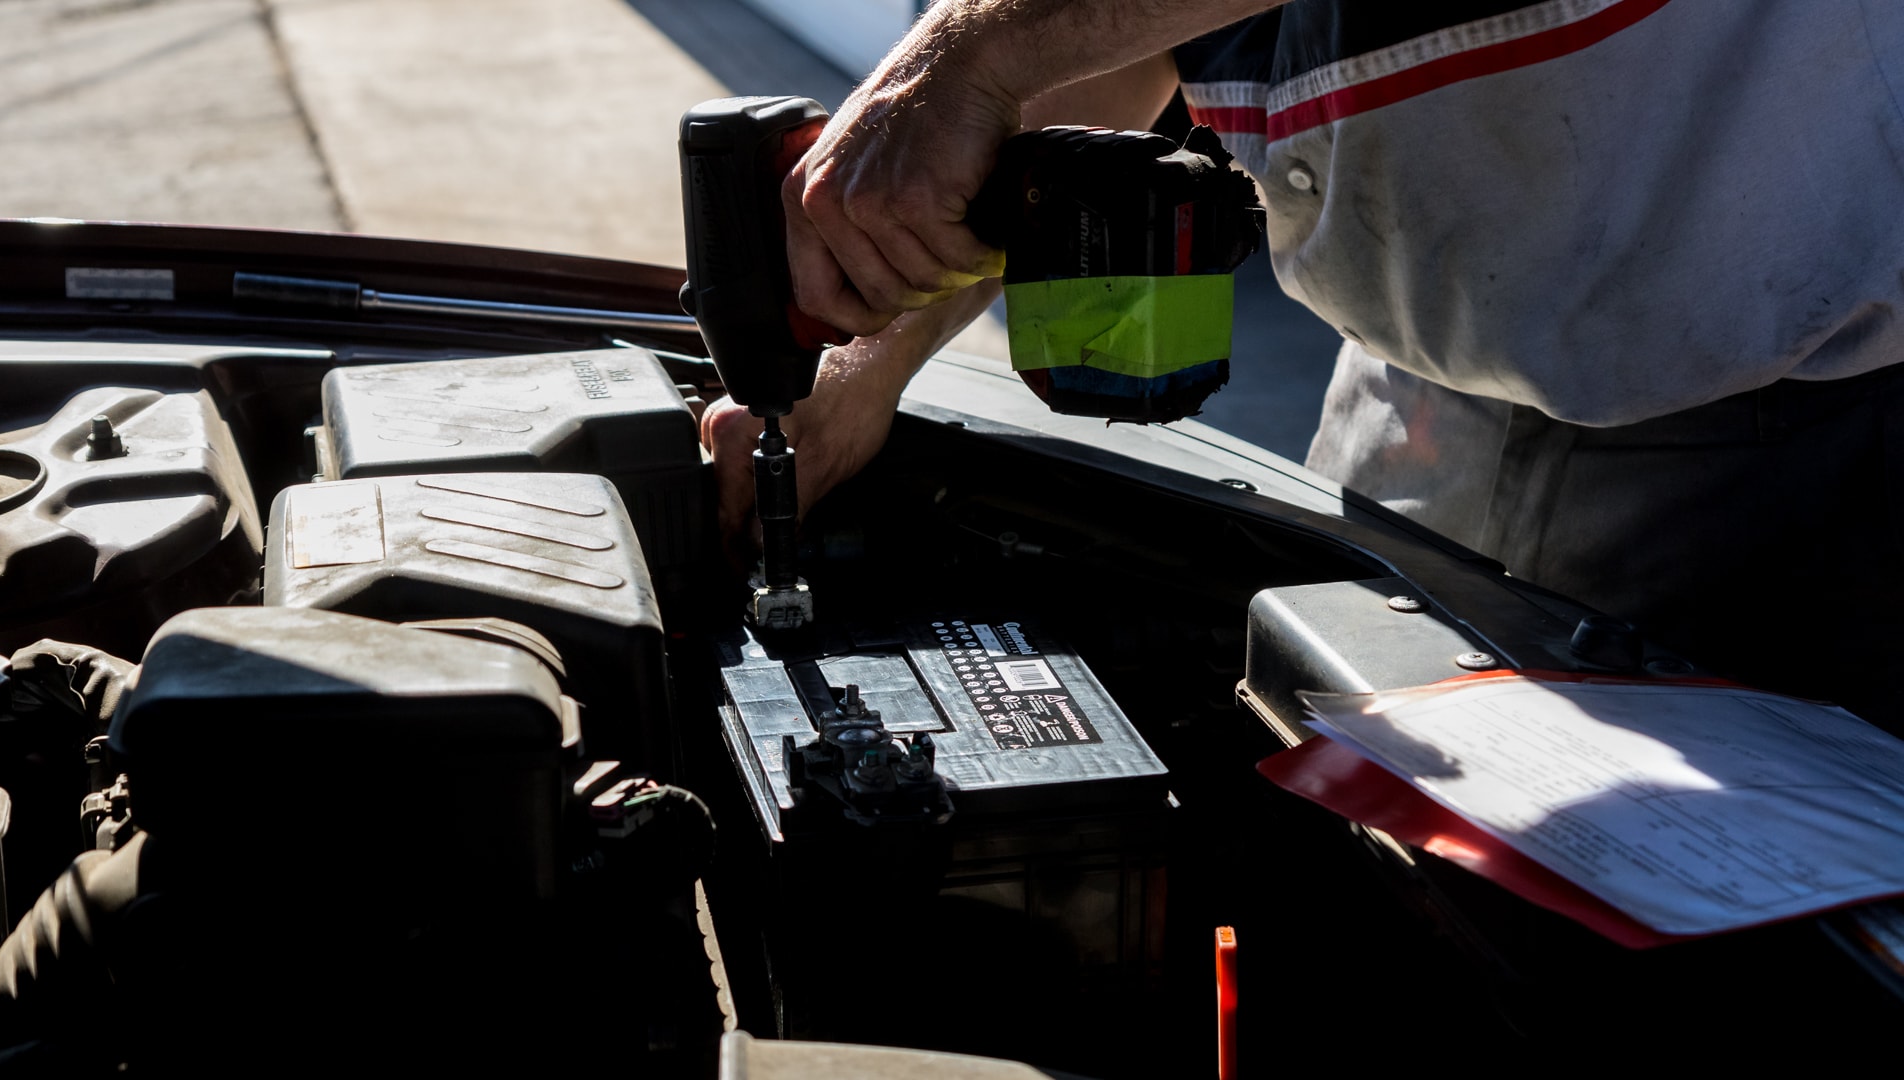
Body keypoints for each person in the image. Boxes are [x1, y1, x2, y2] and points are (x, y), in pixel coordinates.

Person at [701, 0, 1904, 728]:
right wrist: (863, 363)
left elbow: (1024, 54)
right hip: (1411, 394)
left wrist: (975, 50)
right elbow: (1105, 58)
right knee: (1351, 820)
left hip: (1771, 425)